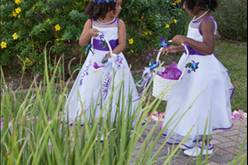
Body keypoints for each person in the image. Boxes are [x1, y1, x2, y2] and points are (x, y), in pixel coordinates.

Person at [161, 0, 234, 157]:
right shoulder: (196, 19)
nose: (183, 6)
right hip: (191, 66)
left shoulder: (207, 21)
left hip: (203, 70)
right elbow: (195, 44)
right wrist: (178, 48)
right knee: (189, 100)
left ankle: (205, 144)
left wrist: (184, 39)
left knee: (201, 103)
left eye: (186, 2)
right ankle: (194, 138)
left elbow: (208, 48)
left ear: (197, 3)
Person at [64, 0, 139, 124]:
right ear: (105, 7)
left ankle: (113, 114)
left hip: (114, 60)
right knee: (92, 85)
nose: (120, 8)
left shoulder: (119, 23)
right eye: (117, 6)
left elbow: (122, 44)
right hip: (95, 61)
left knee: (114, 86)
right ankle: (88, 114)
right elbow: (82, 42)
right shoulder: (91, 22)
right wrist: (89, 33)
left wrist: (112, 54)